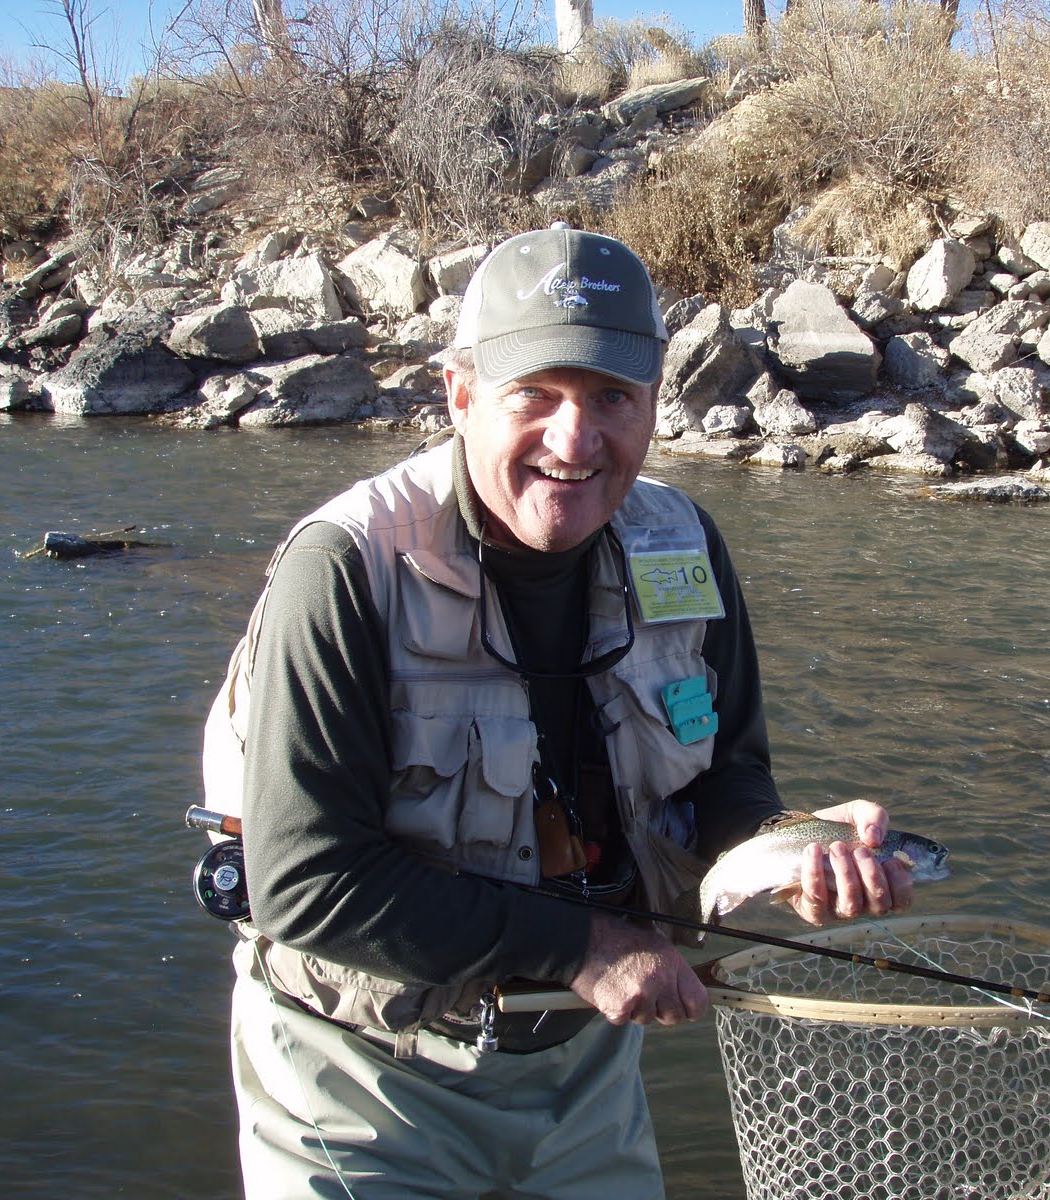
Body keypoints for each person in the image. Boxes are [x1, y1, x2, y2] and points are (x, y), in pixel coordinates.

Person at [210, 224, 914, 1198]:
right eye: (533, 395)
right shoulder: (346, 570)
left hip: (585, 1080)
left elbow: (728, 779)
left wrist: (790, 852)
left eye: (611, 399)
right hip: (363, 1086)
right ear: (460, 397)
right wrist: (585, 946)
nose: (574, 443)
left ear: (655, 404)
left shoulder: (682, 544)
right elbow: (302, 883)